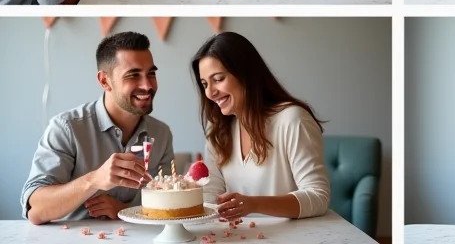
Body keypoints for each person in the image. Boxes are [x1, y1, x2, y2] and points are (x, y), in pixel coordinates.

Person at [22, 32, 174, 224]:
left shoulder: (162, 134)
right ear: (104, 81)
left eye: (151, 73)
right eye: (133, 75)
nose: (147, 85)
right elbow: (35, 211)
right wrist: (94, 180)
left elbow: (169, 203)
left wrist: (126, 211)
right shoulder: (66, 128)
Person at [192, 31, 329, 220]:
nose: (210, 93)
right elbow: (211, 196)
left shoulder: (292, 120)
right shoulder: (217, 130)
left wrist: (253, 204)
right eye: (205, 84)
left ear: (246, 73)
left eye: (218, 79)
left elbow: (318, 196)